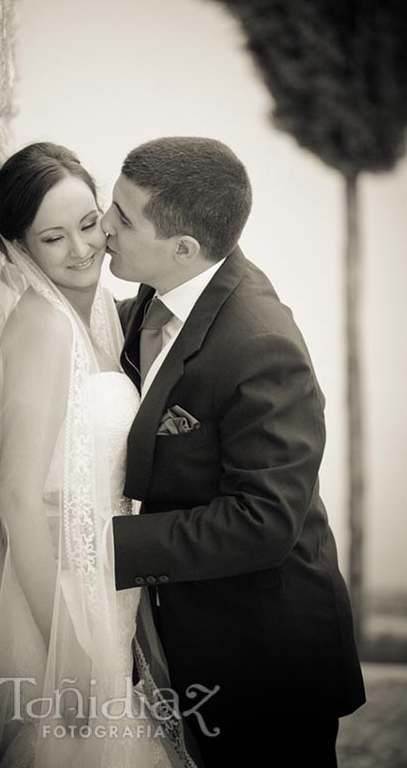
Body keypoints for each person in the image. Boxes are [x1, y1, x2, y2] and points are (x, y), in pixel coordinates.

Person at [101, 136, 366, 768]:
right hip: (195, 636)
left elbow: (263, 522)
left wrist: (99, 547)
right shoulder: (168, 288)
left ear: (183, 248)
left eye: (122, 217)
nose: (103, 226)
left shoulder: (260, 346)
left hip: (265, 660)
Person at [0, 142, 198, 768]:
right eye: (52, 238)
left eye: (88, 223)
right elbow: (15, 495)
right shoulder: (42, 327)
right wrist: (65, 648)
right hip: (63, 600)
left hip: (109, 587)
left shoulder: (100, 315)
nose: (80, 249)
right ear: (20, 248)